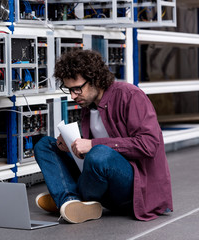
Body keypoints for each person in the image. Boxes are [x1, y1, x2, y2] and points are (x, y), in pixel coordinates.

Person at [34, 49, 173, 224]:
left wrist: (92, 144)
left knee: (99, 153)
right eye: (68, 89)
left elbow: (149, 144)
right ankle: (70, 203)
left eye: (77, 89)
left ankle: (67, 198)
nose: (72, 95)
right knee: (45, 144)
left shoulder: (130, 95)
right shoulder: (88, 105)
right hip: (104, 180)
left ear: (95, 79)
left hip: (134, 187)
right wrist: (71, 145)